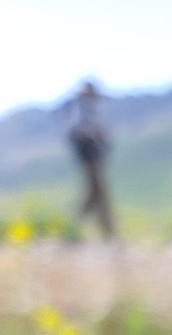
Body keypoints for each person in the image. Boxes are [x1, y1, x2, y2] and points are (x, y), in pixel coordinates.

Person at [60, 81, 116, 240]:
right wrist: (99, 136)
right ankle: (106, 233)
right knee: (99, 193)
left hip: (94, 156)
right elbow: (82, 131)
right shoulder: (82, 110)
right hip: (90, 157)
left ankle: (105, 231)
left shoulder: (87, 109)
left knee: (96, 194)